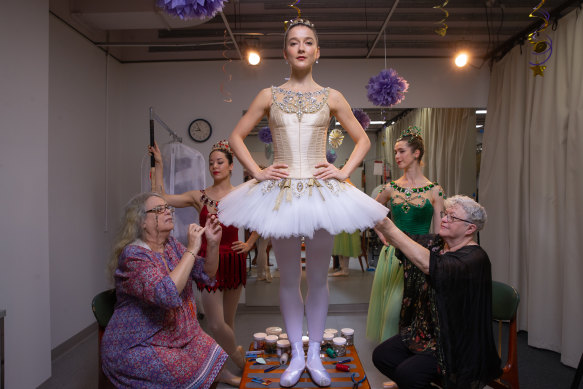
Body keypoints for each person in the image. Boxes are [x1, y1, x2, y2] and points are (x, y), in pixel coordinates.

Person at [218, 17, 388, 387]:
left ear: (317, 51)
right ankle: (296, 353)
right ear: (284, 52)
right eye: (294, 42)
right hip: (280, 194)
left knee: (320, 279)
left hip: (320, 192)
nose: (300, 47)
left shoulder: (332, 96)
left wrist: (343, 171)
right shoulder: (268, 95)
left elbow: (363, 140)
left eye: (308, 41)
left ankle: (314, 356)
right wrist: (258, 172)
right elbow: (235, 136)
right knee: (288, 278)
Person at [101, 192, 240, 388]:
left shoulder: (170, 245)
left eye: (168, 208)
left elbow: (206, 272)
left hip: (175, 335)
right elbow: (167, 294)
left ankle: (218, 375)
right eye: (159, 209)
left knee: (215, 355)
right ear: (142, 222)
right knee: (185, 371)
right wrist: (192, 248)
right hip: (138, 343)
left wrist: (213, 244)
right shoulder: (133, 256)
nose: (168, 212)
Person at [372, 195, 502, 389]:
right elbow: (407, 242)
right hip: (427, 332)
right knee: (382, 356)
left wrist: (388, 227)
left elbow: (430, 265)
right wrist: (382, 227)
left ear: (470, 229)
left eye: (453, 217)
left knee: (407, 374)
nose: (444, 219)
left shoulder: (475, 259)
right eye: (445, 214)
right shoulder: (439, 244)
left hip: (456, 342)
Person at [149, 140, 257, 370]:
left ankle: (221, 370)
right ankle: (239, 357)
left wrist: (249, 243)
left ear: (231, 166)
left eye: (220, 162)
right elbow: (161, 197)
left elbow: (263, 217)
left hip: (234, 260)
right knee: (216, 325)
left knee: (228, 322)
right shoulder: (199, 197)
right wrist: (159, 165)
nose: (214, 166)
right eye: (211, 163)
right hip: (208, 264)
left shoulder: (241, 194)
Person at [366, 128, 444, 342]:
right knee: (392, 311)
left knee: (413, 311)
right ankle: (392, 357)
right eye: (395, 152)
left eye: (401, 151)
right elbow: (370, 211)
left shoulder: (434, 190)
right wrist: (380, 232)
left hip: (419, 257)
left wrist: (437, 261)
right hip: (393, 257)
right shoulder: (390, 188)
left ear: (416, 153)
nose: (397, 157)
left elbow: (439, 234)